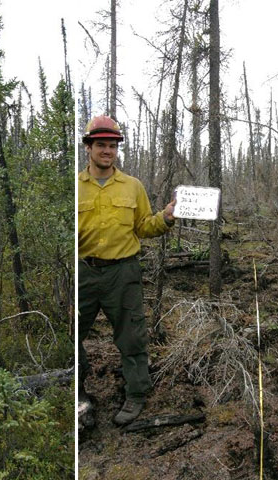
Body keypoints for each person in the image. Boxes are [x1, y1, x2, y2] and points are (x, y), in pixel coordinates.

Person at [77, 115, 176, 426]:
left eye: (112, 145)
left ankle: (136, 394)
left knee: (132, 336)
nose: (107, 151)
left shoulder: (132, 186)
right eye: (101, 145)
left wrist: (166, 218)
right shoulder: (75, 187)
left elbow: (144, 226)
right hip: (83, 272)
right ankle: (78, 394)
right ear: (88, 147)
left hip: (123, 273)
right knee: (72, 334)